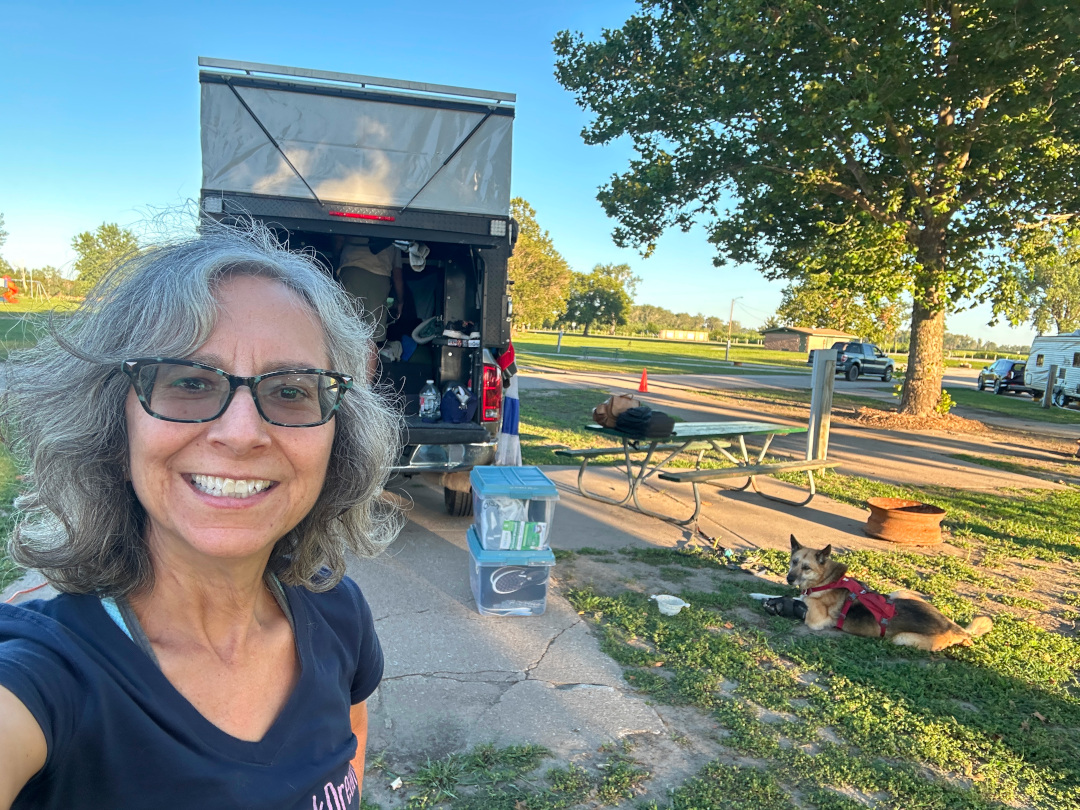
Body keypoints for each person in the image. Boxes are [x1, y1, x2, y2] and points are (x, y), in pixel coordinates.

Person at [0, 225, 402, 808]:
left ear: (337, 437)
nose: (242, 434)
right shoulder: (47, 672)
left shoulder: (337, 610)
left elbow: (350, 740)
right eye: (189, 382)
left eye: (291, 390)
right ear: (116, 426)